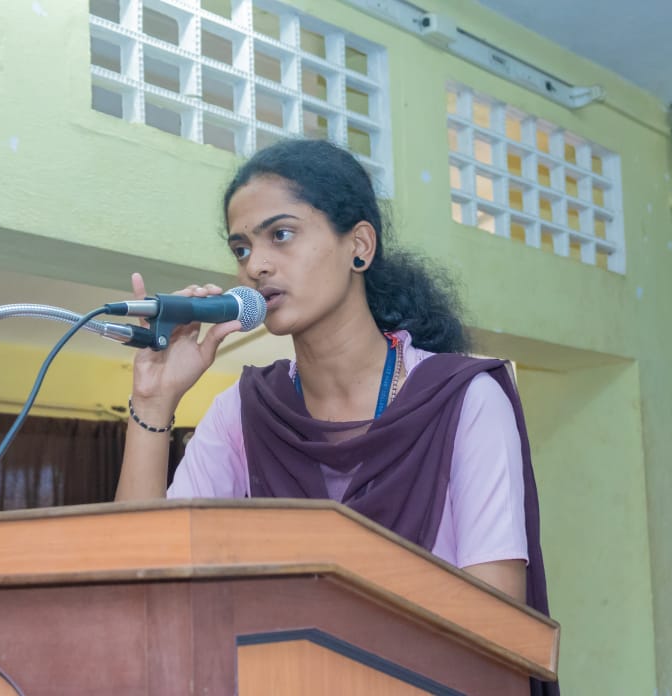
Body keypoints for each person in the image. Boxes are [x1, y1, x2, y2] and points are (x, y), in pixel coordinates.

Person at [114, 138, 552, 639]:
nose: (255, 266)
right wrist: (154, 400)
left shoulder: (461, 400)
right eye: (242, 249)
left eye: (281, 235)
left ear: (359, 246)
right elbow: (141, 580)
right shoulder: (246, 410)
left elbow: (497, 626)